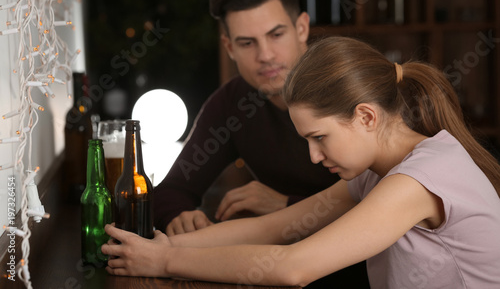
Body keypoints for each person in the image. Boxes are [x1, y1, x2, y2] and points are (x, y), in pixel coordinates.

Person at [103, 36, 500, 288]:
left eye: (319, 137)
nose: (314, 155)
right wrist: (157, 246)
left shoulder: (417, 181)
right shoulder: (379, 173)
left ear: (366, 117)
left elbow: (296, 266)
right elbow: (273, 228)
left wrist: (168, 259)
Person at [154, 0, 333, 234]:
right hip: (283, 257)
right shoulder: (233, 103)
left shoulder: (347, 85)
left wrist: (286, 205)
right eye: (247, 43)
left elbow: (380, 202)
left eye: (276, 35)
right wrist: (178, 216)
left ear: (302, 28)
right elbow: (172, 190)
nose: (265, 55)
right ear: (229, 48)